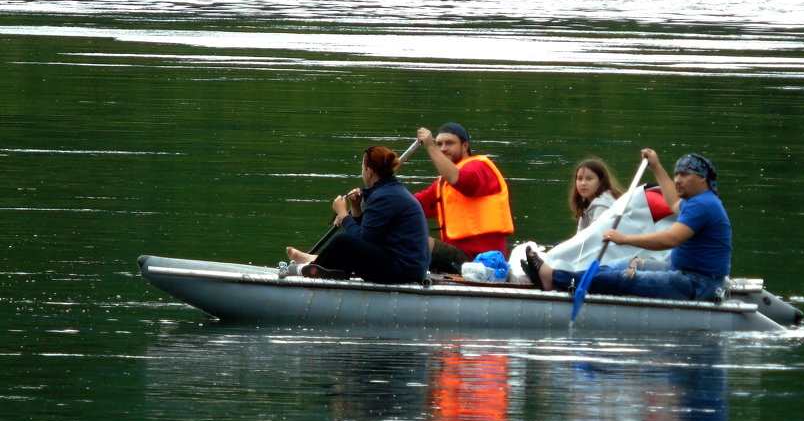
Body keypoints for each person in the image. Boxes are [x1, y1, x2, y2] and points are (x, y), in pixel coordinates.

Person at [522, 149, 731, 301]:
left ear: (703, 179)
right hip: (681, 271)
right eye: (676, 174)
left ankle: (555, 278)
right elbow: (672, 202)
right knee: (622, 265)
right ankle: (561, 276)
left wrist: (625, 239)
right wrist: (656, 166)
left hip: (699, 284)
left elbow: (671, 239)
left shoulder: (703, 205)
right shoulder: (695, 202)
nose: (677, 180)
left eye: (684, 175)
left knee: (625, 277)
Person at [285, 145, 430, 283]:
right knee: (345, 242)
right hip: (407, 266)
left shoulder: (384, 197)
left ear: (369, 170)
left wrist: (343, 214)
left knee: (342, 241)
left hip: (403, 269)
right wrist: (355, 207)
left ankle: (311, 268)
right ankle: (320, 266)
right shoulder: (390, 191)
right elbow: (371, 235)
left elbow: (363, 239)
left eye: (362, 167)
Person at [412, 122, 514, 273]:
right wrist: (378, 194)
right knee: (400, 233)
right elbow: (413, 205)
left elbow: (458, 179)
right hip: (458, 256)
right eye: (439, 144)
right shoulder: (443, 182)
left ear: (465, 146)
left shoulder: (479, 167)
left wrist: (431, 147)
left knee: (413, 241)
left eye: (449, 143)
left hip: (482, 260)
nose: (443, 148)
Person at [570, 158, 623, 233]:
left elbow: (595, 236)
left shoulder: (603, 205)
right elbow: (580, 234)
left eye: (589, 179)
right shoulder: (586, 203)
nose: (583, 183)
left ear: (601, 181)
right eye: (579, 179)